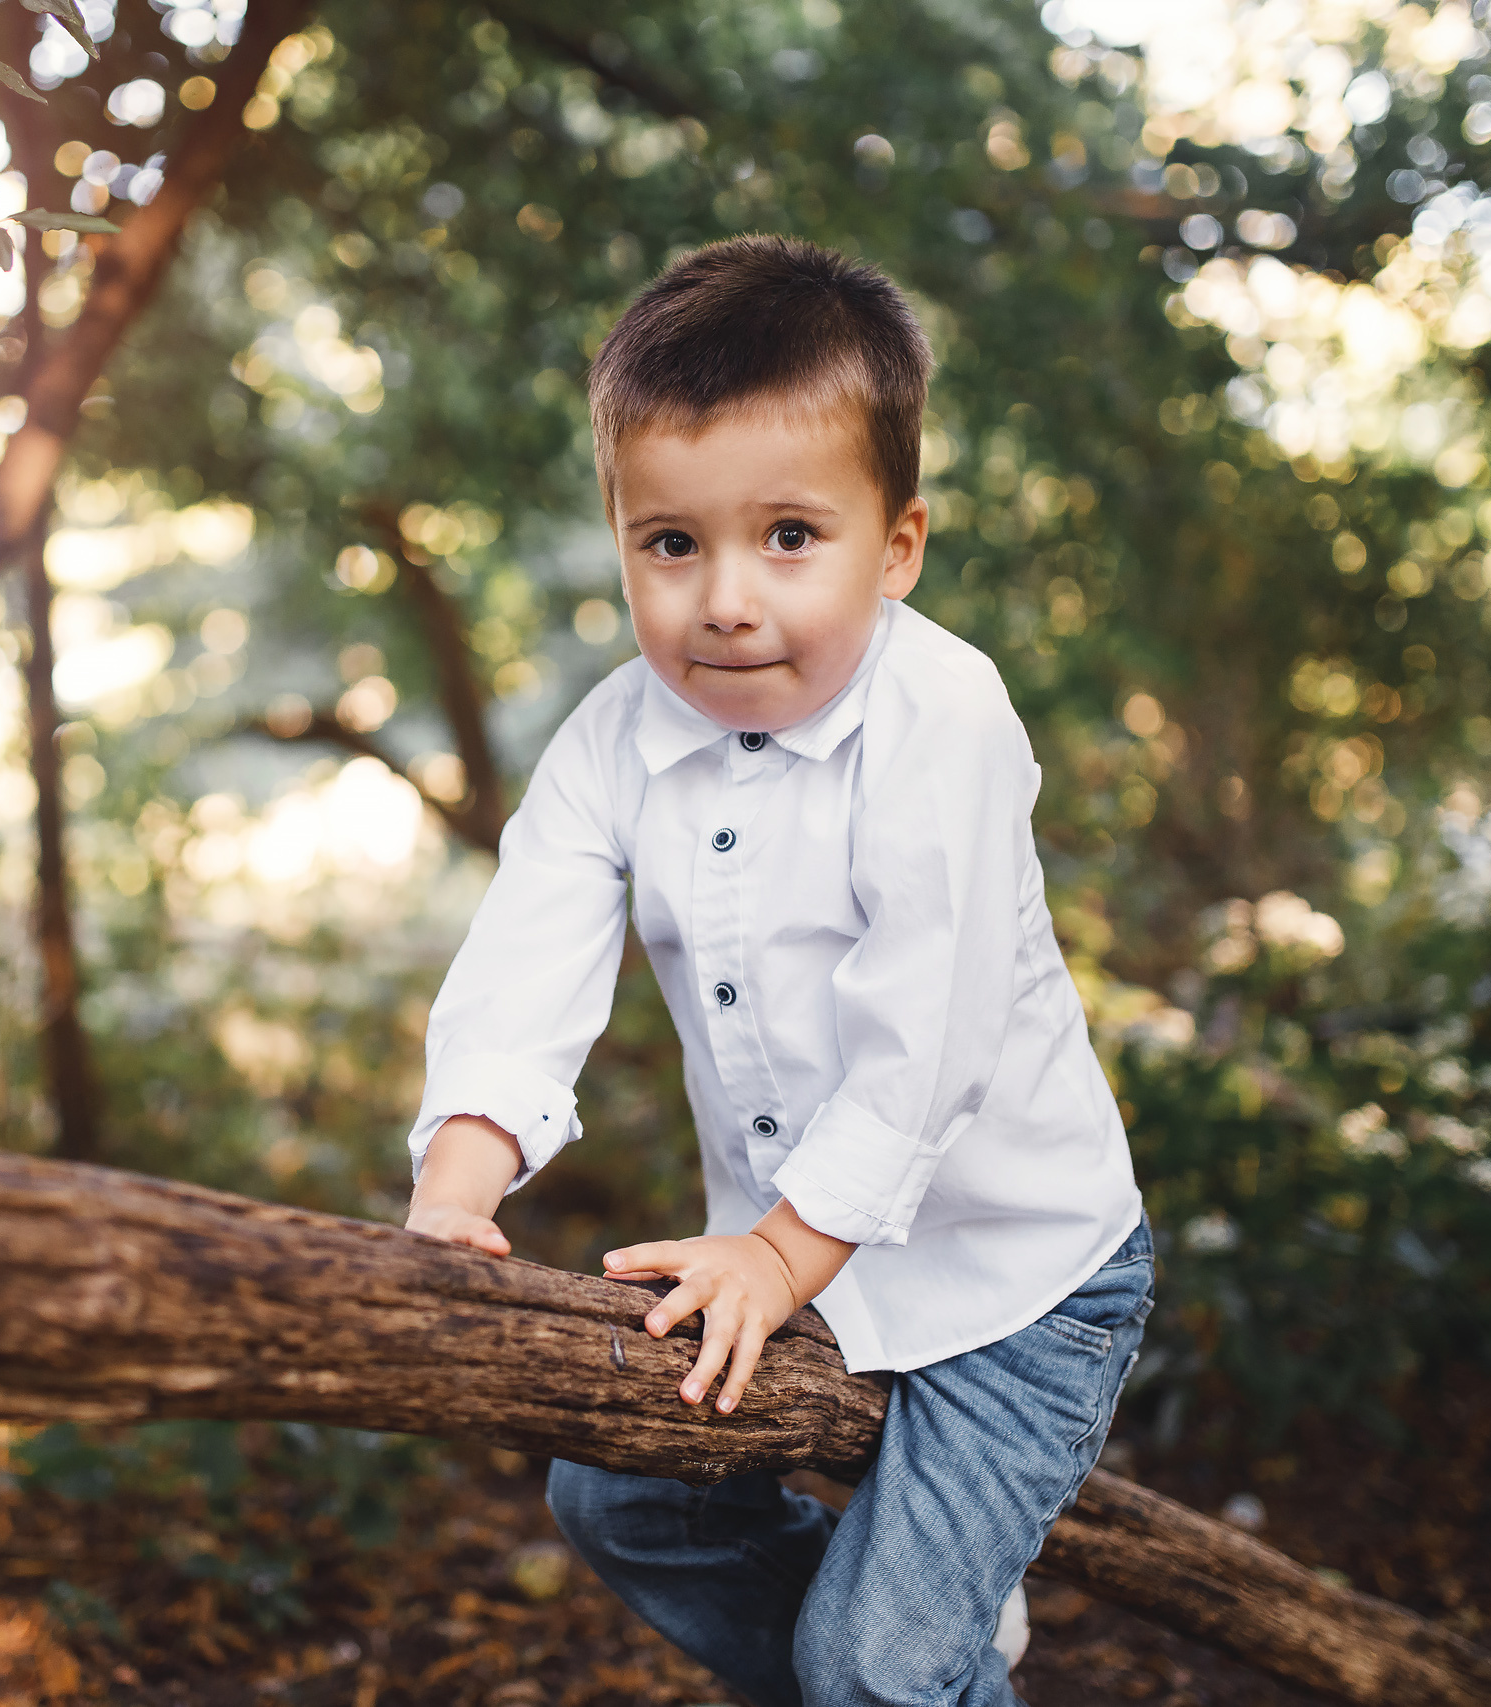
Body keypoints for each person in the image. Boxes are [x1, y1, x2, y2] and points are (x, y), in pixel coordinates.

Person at [399, 235, 1151, 1707]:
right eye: (671, 545)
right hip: (796, 1267)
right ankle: (904, 1664)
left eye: (790, 538)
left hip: (1016, 1281)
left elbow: (927, 1043)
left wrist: (776, 1257)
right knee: (618, 1501)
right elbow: (525, 966)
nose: (726, 599)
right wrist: (457, 1186)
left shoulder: (943, 719)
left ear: (900, 543)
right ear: (622, 538)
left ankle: (900, 1664)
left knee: (873, 1665)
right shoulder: (615, 738)